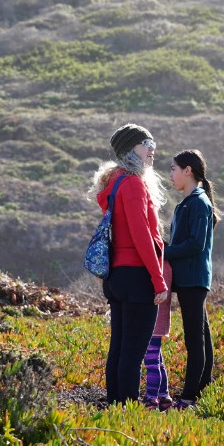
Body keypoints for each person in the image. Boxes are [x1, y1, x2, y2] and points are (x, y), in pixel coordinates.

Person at [89, 123, 168, 405]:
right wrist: (159, 281)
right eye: (146, 143)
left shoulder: (115, 181)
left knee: (119, 349)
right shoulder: (133, 183)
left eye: (152, 142)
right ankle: (127, 412)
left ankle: (114, 406)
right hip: (137, 277)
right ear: (130, 149)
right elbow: (142, 236)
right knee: (133, 353)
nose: (152, 149)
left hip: (116, 277)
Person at [165, 149, 220, 409]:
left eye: (174, 169)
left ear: (188, 171)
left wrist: (164, 251)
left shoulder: (198, 202)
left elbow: (195, 244)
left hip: (192, 279)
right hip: (191, 279)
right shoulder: (189, 202)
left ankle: (188, 398)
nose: (171, 174)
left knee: (194, 341)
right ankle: (204, 391)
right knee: (202, 338)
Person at [143, 260, 174, 411]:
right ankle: (164, 395)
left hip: (153, 317)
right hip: (162, 318)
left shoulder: (156, 263)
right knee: (157, 358)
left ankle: (151, 399)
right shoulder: (166, 262)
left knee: (151, 361)